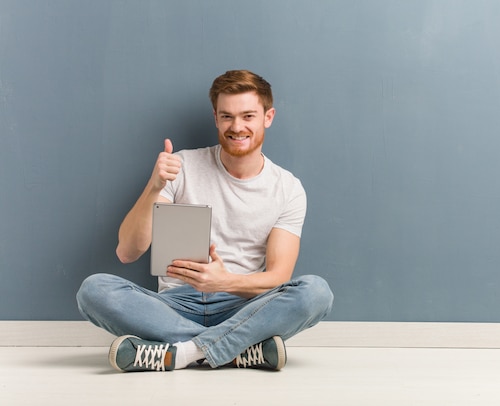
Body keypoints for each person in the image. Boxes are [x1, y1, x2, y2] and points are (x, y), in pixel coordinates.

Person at [76, 70, 334, 372]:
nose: (237, 127)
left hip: (242, 306)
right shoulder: (181, 166)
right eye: (227, 117)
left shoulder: (288, 188)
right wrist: (154, 186)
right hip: (174, 304)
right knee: (94, 290)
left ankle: (182, 353)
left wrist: (224, 281)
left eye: (248, 116)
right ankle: (237, 351)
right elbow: (127, 251)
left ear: (268, 116)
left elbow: (278, 276)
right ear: (216, 118)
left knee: (316, 292)